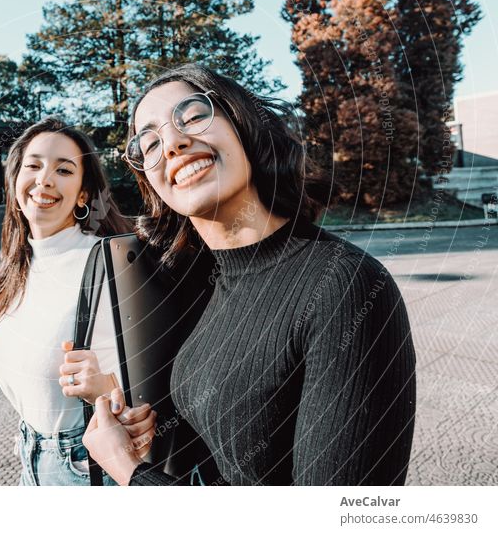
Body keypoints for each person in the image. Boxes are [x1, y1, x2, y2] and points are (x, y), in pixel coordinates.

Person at [82, 64, 416, 486]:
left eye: (193, 115)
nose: (172, 144)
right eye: (149, 143)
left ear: (244, 124)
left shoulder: (345, 286)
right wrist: (147, 439)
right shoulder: (208, 281)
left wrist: (129, 471)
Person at [0, 117, 156, 486]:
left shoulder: (108, 264)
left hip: (85, 467)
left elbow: (153, 382)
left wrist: (107, 389)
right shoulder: (19, 263)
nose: (44, 179)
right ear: (15, 177)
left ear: (83, 193)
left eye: (64, 169)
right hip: (30, 458)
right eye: (34, 165)